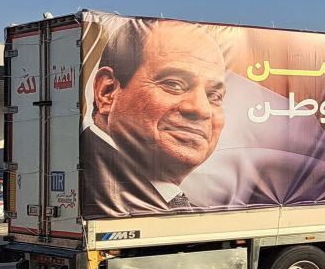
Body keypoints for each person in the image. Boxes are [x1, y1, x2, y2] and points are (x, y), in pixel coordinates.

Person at [81, 19, 227, 217]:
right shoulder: (96, 192)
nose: (201, 109)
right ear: (107, 92)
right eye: (174, 84)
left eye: (214, 96)